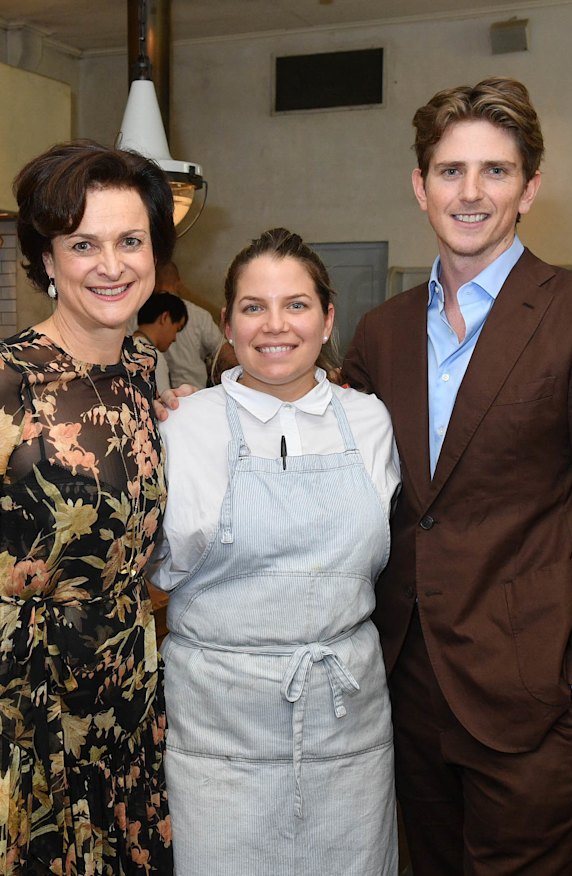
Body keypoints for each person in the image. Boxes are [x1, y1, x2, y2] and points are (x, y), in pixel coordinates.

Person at [343, 76, 572, 875]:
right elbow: (333, 464)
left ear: (530, 188)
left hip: (535, 693)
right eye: (450, 171)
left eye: (496, 171)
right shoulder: (380, 331)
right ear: (420, 186)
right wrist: (212, 414)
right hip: (406, 689)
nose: (470, 192)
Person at [150, 227, 401, 875]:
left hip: (347, 728)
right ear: (227, 324)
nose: (275, 325)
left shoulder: (370, 422)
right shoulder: (184, 426)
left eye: (296, 304)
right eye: (253, 307)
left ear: (327, 319)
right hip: (218, 736)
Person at [0, 140, 176, 874]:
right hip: (27, 701)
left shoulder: (143, 370)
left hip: (127, 687)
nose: (112, 265)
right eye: (83, 244)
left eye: (130, 240)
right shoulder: (9, 382)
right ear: (46, 259)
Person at [155, 260, 237, 388]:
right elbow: (224, 352)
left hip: (157, 399)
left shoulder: (136, 317)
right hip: (195, 393)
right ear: (179, 283)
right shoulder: (198, 314)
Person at [134, 291, 188, 394]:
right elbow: (163, 404)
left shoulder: (120, 347)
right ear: (165, 318)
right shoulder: (154, 358)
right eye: (177, 329)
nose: (174, 338)